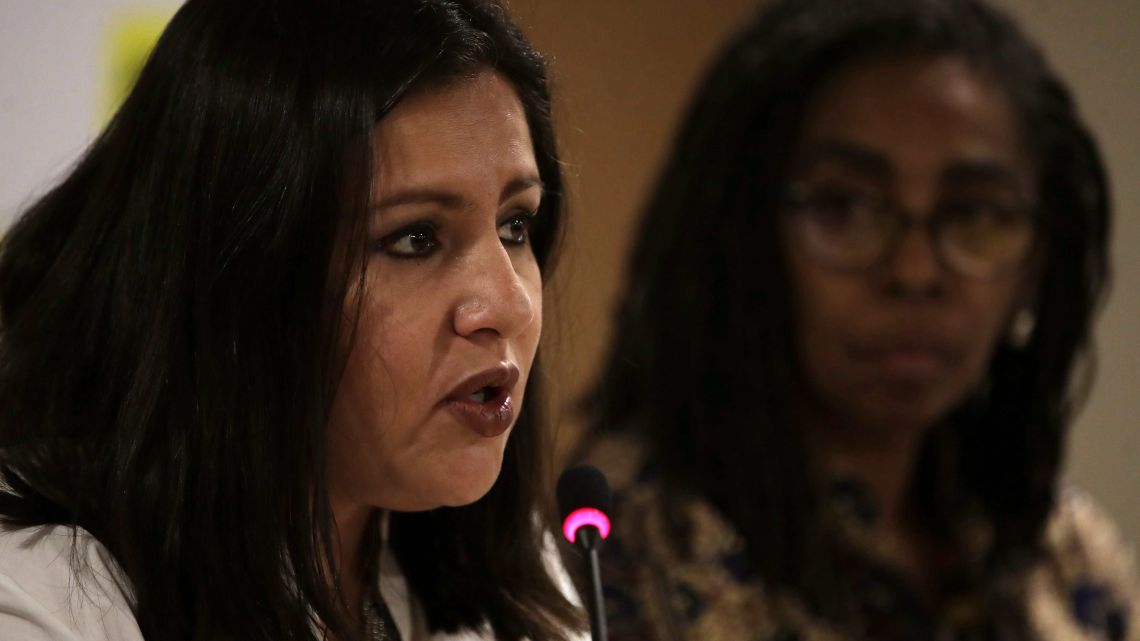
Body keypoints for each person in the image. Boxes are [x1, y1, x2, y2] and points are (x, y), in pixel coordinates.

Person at [0, 1, 586, 640]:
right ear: (239, 272)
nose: (511, 305)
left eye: (515, 225)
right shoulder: (41, 598)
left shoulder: (504, 569)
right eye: (416, 238)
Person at [580, 0, 1139, 639]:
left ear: (1037, 264)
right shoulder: (628, 547)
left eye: (977, 215)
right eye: (844, 207)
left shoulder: (1065, 553)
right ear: (743, 237)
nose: (915, 271)